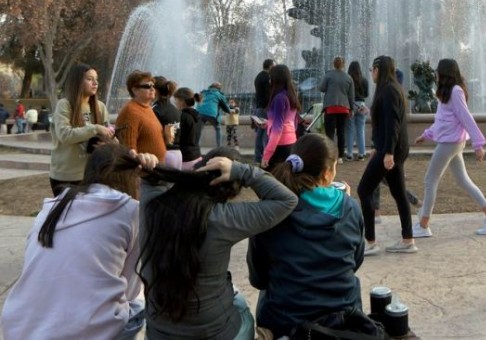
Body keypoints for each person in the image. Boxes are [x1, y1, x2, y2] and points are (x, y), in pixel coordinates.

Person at [138, 147, 297, 340]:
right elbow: (287, 200)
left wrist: (150, 167)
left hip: (157, 334)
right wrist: (242, 170)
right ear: (230, 193)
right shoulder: (223, 219)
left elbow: (152, 182)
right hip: (216, 333)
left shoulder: (152, 206)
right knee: (241, 304)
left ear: (200, 167)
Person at [2, 143, 147, 339]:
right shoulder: (131, 211)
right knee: (140, 303)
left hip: (19, 327)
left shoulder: (53, 207)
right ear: (134, 178)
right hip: (82, 332)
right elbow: (129, 290)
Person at [249, 133, 364, 338]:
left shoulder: (270, 211)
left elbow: (258, 278)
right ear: (328, 173)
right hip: (343, 319)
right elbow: (355, 261)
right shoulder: (350, 208)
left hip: (287, 323)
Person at [413, 58, 486, 237]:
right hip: (450, 141)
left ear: (444, 73)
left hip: (450, 143)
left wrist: (478, 144)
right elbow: (442, 118)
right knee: (463, 180)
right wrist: (427, 134)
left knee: (430, 180)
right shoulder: (447, 92)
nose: (435, 74)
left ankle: (423, 225)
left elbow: (466, 117)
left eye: (438, 71)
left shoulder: (455, 91)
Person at [356, 55, 416, 255]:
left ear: (379, 70)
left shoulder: (389, 90)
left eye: (372, 69)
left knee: (364, 190)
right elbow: (385, 123)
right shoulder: (389, 89)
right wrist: (378, 145)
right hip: (390, 148)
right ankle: (408, 240)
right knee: (399, 194)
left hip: (391, 150)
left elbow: (393, 124)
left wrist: (388, 152)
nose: (371, 73)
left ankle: (371, 242)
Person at [50, 63, 114, 196]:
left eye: (96, 79)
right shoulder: (64, 105)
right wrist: (95, 128)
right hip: (66, 177)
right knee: (69, 216)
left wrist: (110, 141)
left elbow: (109, 135)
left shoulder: (100, 107)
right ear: (77, 81)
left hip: (93, 175)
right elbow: (65, 135)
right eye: (90, 79)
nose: (95, 83)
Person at [115, 70, 167, 162]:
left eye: (153, 86)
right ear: (134, 90)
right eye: (147, 86)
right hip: (143, 172)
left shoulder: (147, 108)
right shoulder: (131, 112)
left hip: (155, 170)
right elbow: (128, 150)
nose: (152, 89)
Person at [262, 64, 301, 170]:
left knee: (269, 180)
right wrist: (268, 123)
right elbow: (291, 121)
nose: (269, 81)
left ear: (276, 79)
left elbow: (278, 129)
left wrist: (267, 154)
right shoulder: (291, 95)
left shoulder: (279, 98)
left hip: (279, 145)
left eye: (271, 78)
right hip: (291, 141)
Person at [319, 56, 355, 163]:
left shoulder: (328, 75)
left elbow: (321, 88)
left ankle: (330, 155)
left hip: (331, 107)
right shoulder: (348, 77)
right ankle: (340, 156)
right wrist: (351, 109)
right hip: (344, 108)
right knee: (341, 132)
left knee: (329, 132)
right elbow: (351, 96)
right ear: (344, 64)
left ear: (333, 64)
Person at [153, 76, 181, 167]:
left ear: (155, 90)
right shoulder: (174, 109)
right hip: (177, 155)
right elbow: (171, 135)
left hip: (165, 154)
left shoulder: (157, 110)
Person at [173, 87, 204, 170]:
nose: (175, 102)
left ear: (182, 101)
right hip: (197, 156)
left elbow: (174, 136)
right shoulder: (197, 115)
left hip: (185, 158)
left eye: (176, 99)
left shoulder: (182, 116)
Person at [346, 60, 369, 161]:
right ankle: (361, 153)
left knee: (350, 129)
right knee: (361, 130)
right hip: (361, 105)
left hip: (350, 104)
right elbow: (366, 94)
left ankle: (349, 153)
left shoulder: (348, 79)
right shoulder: (364, 80)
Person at [196, 82, 231, 147]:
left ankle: (196, 147)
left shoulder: (203, 93)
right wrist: (230, 110)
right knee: (218, 128)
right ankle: (219, 146)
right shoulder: (219, 94)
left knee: (199, 129)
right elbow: (226, 108)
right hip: (211, 114)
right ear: (219, 88)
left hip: (199, 113)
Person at [254, 59, 274, 163]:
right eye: (273, 66)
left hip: (259, 106)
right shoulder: (266, 77)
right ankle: (265, 156)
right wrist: (269, 105)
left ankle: (258, 157)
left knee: (259, 133)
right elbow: (267, 93)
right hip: (265, 108)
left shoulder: (258, 76)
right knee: (266, 132)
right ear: (270, 66)